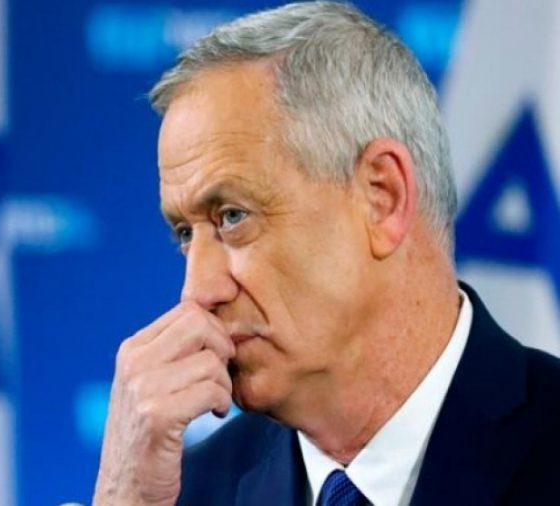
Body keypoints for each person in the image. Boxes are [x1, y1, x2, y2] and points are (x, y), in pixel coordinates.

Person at [92, 2, 560, 505]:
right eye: (186, 233)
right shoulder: (180, 494)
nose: (197, 291)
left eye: (232, 216)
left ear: (382, 197)